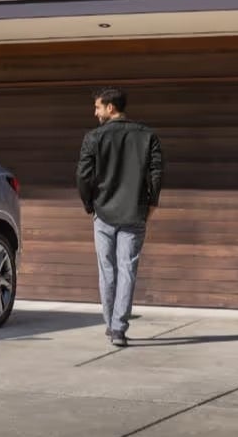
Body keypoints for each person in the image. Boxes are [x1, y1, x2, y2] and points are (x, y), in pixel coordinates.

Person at [76, 87, 163, 347]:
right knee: (127, 269)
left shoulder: (93, 138)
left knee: (108, 270)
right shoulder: (148, 136)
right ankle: (118, 328)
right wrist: (152, 203)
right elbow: (157, 171)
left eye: (98, 107)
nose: (95, 112)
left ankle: (110, 323)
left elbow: (82, 175)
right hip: (135, 212)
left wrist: (89, 204)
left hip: (103, 213)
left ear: (110, 108)